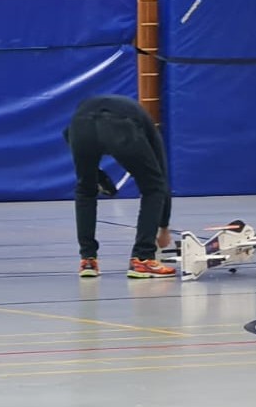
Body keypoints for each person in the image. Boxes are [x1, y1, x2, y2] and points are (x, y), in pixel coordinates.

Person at [64, 94, 175, 278]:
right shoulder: (150, 129)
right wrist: (163, 227)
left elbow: (68, 136)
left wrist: (96, 175)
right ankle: (143, 259)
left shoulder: (84, 117)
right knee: (153, 187)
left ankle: (88, 260)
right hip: (118, 124)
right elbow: (161, 179)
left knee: (85, 189)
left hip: (80, 124)